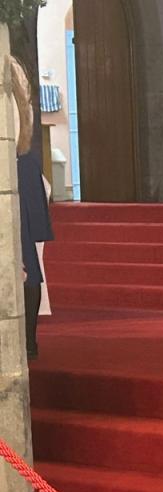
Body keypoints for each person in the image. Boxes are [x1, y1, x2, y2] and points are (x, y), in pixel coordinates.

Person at [11, 57, 51, 360]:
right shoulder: (13, 69)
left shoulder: (11, 70)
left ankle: (28, 341)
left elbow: (22, 114)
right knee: (26, 258)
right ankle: (27, 341)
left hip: (17, 158)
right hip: (18, 159)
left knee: (27, 260)